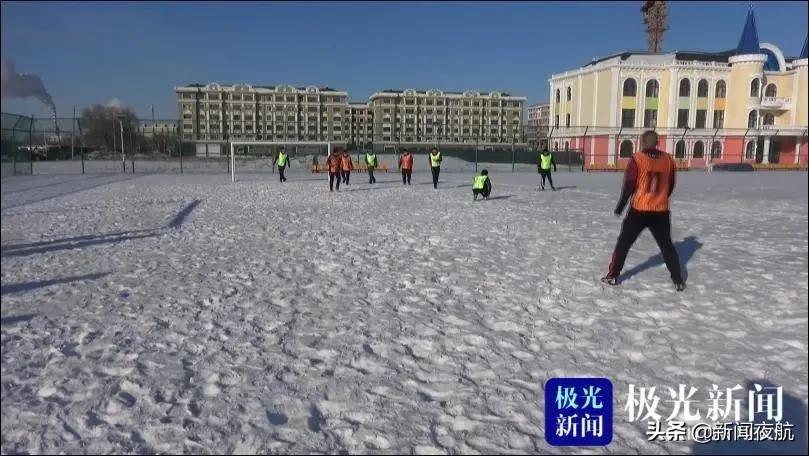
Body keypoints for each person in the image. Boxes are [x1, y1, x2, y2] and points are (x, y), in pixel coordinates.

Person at [601, 130, 686, 291]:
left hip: (639, 210)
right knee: (667, 246)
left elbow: (630, 185)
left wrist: (621, 205)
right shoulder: (668, 160)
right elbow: (671, 184)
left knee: (624, 243)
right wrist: (661, 198)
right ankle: (678, 279)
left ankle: (612, 275)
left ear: (643, 142)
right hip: (660, 210)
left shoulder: (637, 159)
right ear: (657, 142)